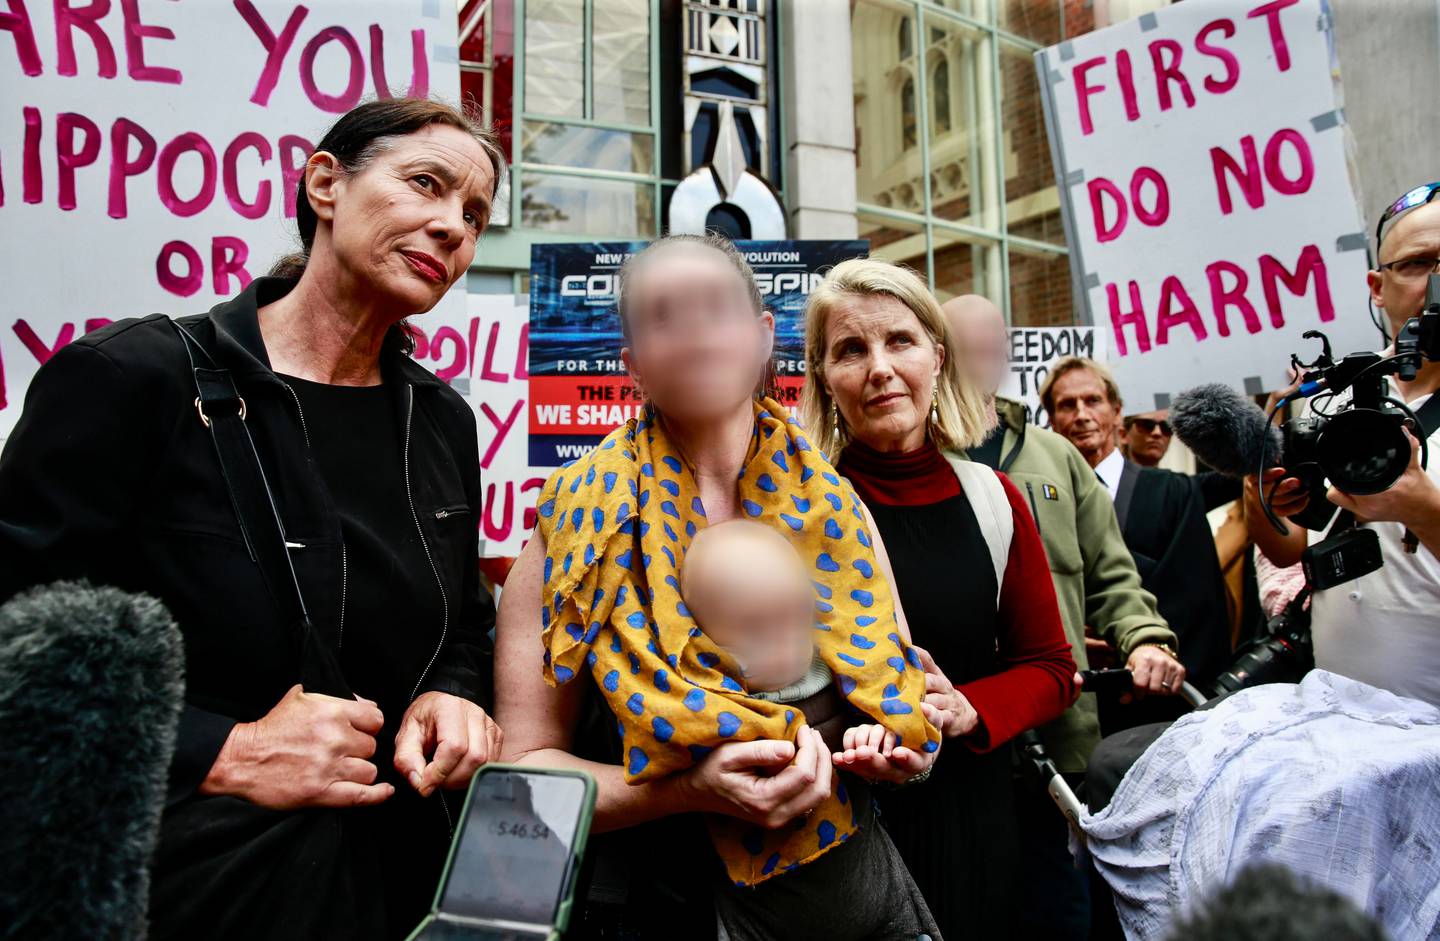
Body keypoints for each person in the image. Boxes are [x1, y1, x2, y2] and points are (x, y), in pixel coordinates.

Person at [0, 99, 506, 941]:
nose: (453, 226)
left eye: (476, 214)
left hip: (404, 887)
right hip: (190, 891)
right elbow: (17, 642)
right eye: (427, 183)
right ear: (324, 184)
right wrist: (220, 749)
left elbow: (461, 622)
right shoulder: (131, 377)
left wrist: (453, 695)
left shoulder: (441, 420)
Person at [493, 233, 952, 941]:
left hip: (847, 894)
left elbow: (900, 697)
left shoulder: (837, 505)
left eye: (717, 306)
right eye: (662, 315)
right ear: (631, 362)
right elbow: (521, 774)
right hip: (655, 903)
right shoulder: (572, 525)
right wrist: (687, 791)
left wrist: (910, 750)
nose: (696, 328)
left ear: (764, 335)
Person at [805, 263, 1079, 940]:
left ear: (938, 355)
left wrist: (968, 708)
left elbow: (1051, 667)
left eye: (899, 340)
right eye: (850, 349)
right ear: (821, 376)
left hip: (974, 822)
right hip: (840, 828)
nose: (879, 369)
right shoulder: (796, 513)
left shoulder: (995, 498)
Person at [942, 293, 1183, 940]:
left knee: (1061, 908)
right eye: (963, 344)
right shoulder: (915, 451)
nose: (978, 358)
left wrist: (1145, 639)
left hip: (1059, 728)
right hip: (952, 736)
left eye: (991, 344)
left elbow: (1111, 572)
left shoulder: (1055, 456)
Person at [679, 520, 941, 940]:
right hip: (757, 913)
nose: (784, 642)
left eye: (795, 615)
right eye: (752, 629)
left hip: (874, 893)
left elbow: (906, 713)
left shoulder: (842, 661)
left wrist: (882, 742)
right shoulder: (700, 691)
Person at [1247, 183, 1440, 709]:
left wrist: (1424, 512)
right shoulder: (1333, 395)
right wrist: (1257, 492)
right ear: (1378, 286)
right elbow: (1289, 544)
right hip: (1339, 717)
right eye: (1421, 263)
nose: (1439, 281)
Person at [1042, 357, 1239, 698]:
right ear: (1053, 422)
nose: (1082, 414)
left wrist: (1138, 642)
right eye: (1067, 405)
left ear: (1116, 412)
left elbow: (1196, 603)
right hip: (1076, 693)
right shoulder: (1039, 504)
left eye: (1092, 401)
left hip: (1159, 694)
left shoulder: (1174, 493)